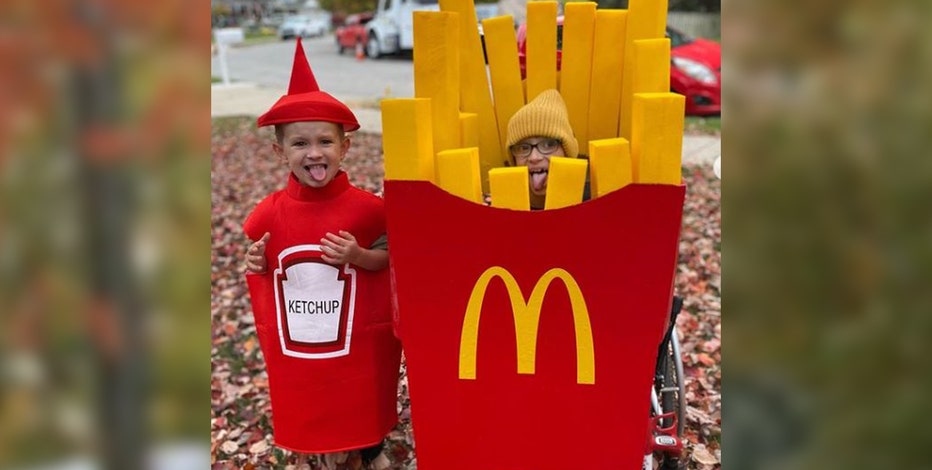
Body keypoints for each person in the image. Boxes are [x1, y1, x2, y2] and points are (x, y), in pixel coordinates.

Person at [241, 38, 400, 468]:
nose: (314, 153)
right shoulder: (270, 212)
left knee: (360, 386)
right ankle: (325, 444)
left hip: (356, 332)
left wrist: (359, 256)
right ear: (280, 152)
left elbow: (391, 257)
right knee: (314, 383)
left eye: (326, 142)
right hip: (304, 330)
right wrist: (255, 263)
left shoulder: (369, 210)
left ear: (344, 147)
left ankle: (368, 444)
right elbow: (258, 254)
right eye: (299, 144)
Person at [505, 88, 587, 209]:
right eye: (523, 148)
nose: (534, 157)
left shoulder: (594, 201)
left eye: (548, 145)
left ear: (568, 152)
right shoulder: (501, 204)